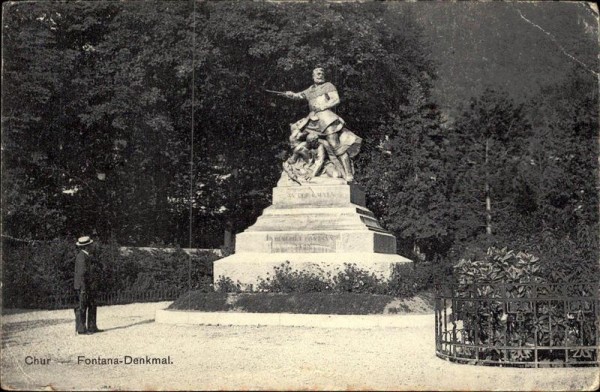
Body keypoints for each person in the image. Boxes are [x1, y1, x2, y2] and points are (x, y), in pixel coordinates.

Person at [284, 67, 361, 182]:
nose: (319, 75)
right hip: (313, 119)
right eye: (317, 73)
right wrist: (291, 94)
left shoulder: (328, 86)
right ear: (313, 75)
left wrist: (323, 106)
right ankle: (298, 163)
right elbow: (299, 95)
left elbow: (336, 100)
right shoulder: (310, 89)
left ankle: (348, 174)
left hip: (326, 118)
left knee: (335, 145)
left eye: (321, 73)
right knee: (295, 134)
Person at [74, 236, 102, 335]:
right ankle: (81, 329)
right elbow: (82, 274)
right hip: (83, 286)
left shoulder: (87, 256)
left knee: (92, 305)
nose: (92, 246)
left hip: (88, 286)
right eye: (90, 245)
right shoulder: (82, 257)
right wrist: (83, 288)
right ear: (86, 246)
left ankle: (92, 327)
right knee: (82, 307)